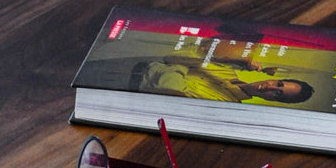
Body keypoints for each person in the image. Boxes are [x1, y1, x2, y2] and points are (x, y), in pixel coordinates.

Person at [133, 55, 314, 105]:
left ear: (273, 100)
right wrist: (229, 60)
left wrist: (186, 67)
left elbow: (166, 85)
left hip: (129, 86)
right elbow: (171, 57)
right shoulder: (229, 71)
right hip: (136, 61)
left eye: (277, 93)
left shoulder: (225, 103)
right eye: (278, 84)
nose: (270, 87)